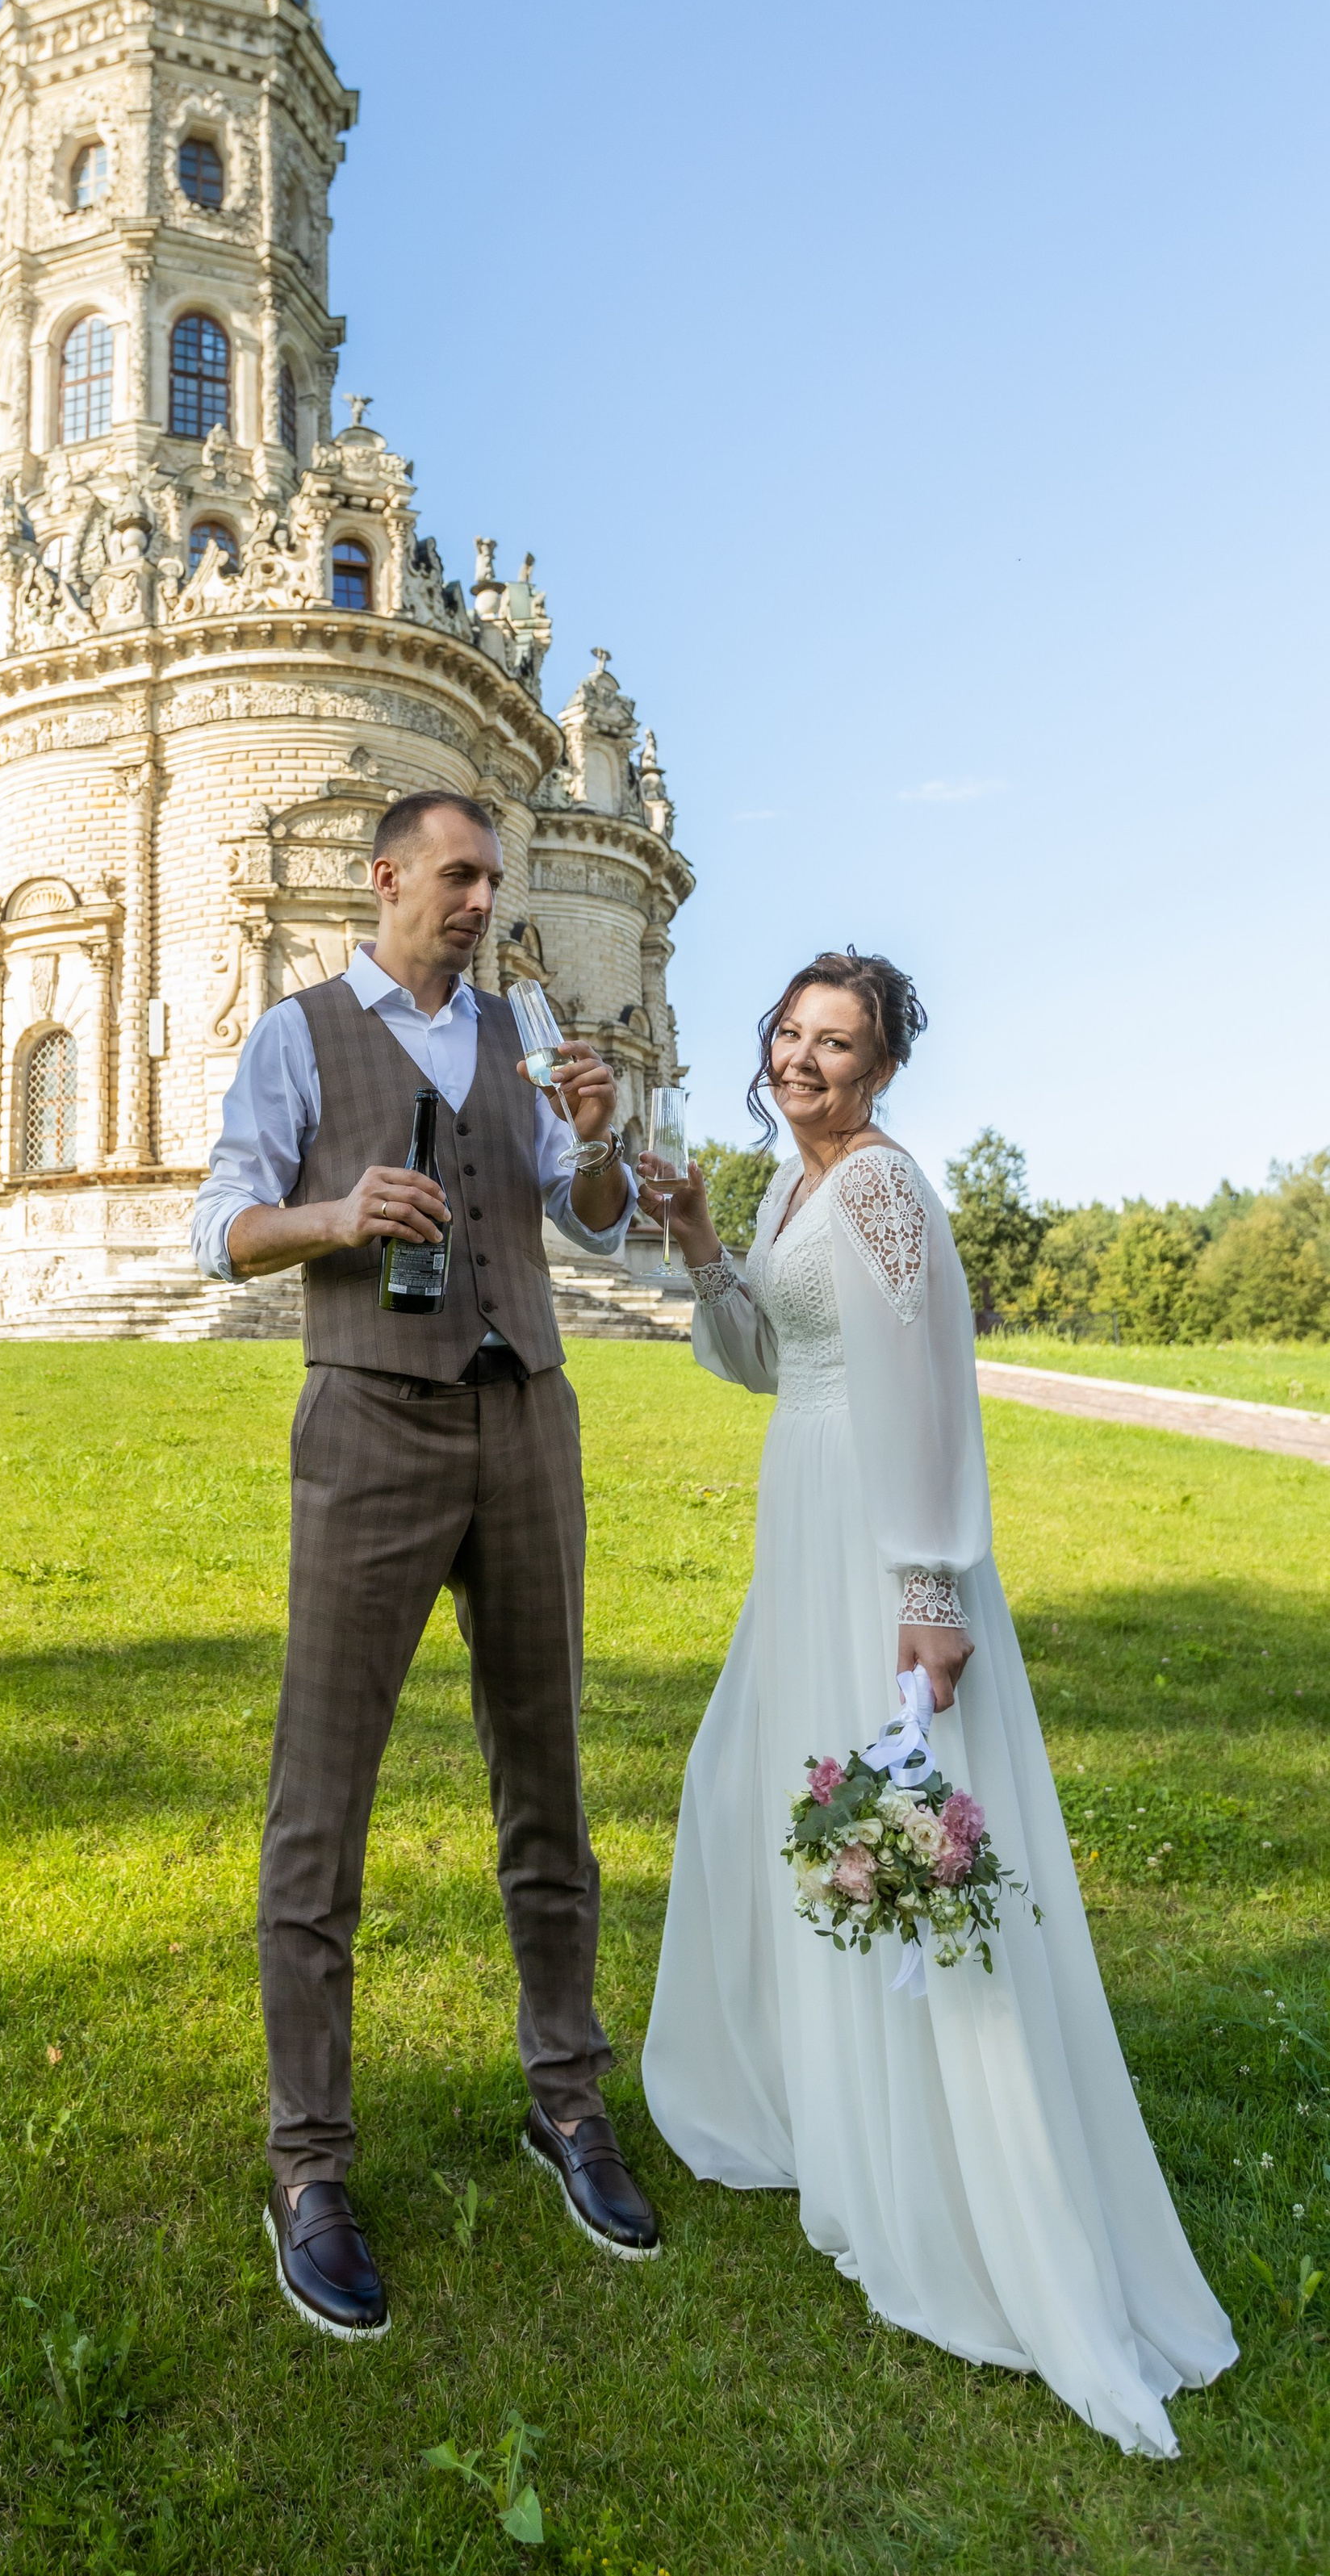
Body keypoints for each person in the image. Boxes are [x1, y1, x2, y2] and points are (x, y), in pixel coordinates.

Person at [640, 950, 1236, 2455]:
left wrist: (930, 1590)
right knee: (764, 1806)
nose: (804, 1061)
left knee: (905, 1852)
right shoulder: (791, 1187)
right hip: (803, 1521)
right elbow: (766, 1360)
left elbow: (930, 1387)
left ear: (886, 1067)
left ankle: (966, 2186)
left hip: (881, 1544)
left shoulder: (888, 1190)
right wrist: (710, 1242)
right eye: (789, 1033)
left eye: (838, 1044)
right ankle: (843, 2125)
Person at [191, 791, 663, 2340]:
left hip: (526, 1417)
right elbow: (223, 1226)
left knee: (550, 1777)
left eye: (493, 879)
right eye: (458, 875)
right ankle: (311, 2162)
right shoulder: (298, 1033)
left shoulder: (518, 1031)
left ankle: (568, 2100)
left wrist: (598, 1143)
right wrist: (337, 1212)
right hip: (371, 1427)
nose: (481, 898)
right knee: (321, 1795)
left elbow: (586, 1223)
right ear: (386, 877)